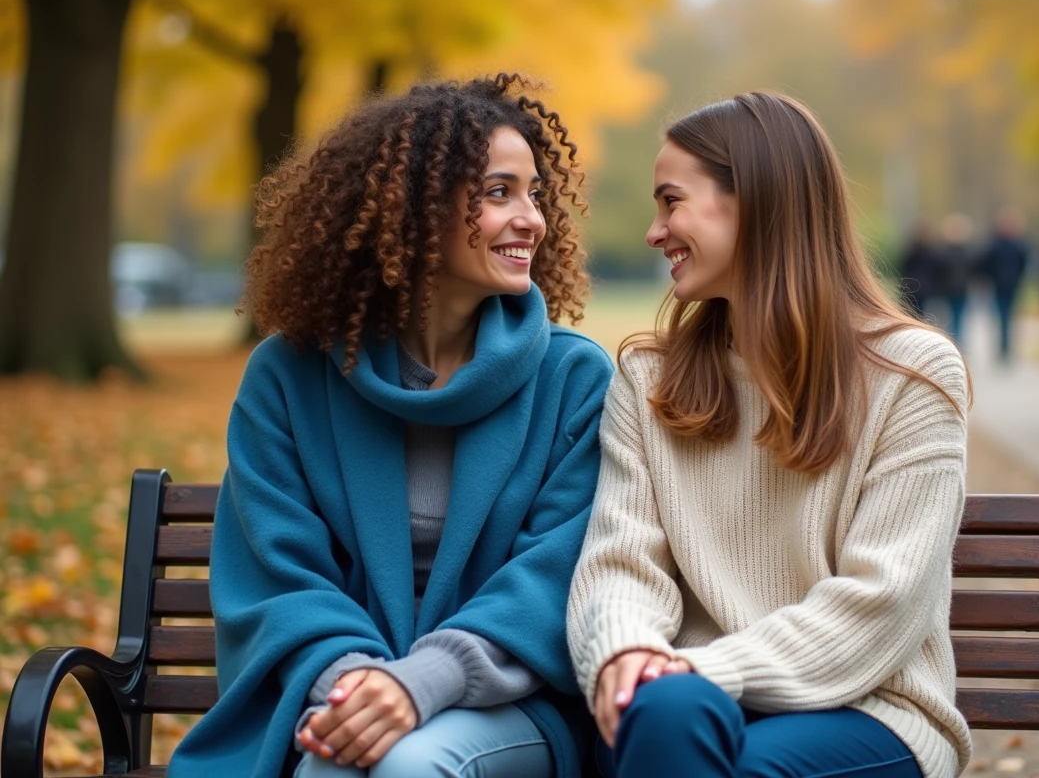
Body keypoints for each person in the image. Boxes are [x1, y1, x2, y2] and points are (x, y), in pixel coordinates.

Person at [168, 74, 614, 778]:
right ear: (412, 210)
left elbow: (555, 580)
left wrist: (422, 683)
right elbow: (278, 579)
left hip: (507, 708)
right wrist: (359, 689)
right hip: (331, 692)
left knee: (404, 766)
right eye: (500, 193)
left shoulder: (573, 382)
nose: (532, 218)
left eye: (535, 193)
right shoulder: (289, 378)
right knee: (341, 763)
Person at [567, 92, 972, 778]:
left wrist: (695, 668)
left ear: (753, 201)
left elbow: (880, 605)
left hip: (868, 712)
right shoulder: (647, 377)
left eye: (671, 202)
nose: (654, 231)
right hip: (679, 709)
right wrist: (626, 654)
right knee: (670, 720)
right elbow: (620, 564)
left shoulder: (913, 375)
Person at [977, 207, 1030, 364]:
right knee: (1000, 317)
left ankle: (1006, 348)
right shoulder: (995, 244)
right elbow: (986, 264)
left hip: (1012, 286)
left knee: (1008, 318)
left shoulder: (1019, 245)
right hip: (998, 286)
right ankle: (1002, 348)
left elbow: (1024, 264)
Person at [934, 213, 976, 348]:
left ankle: (955, 342)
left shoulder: (966, 252)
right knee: (950, 317)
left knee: (956, 317)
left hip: (959, 290)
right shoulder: (944, 252)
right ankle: (953, 341)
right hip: (949, 290)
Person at [898, 220, 940, 318]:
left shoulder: (912, 249)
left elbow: (903, 266)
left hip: (913, 285)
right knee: (920, 311)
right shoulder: (931, 251)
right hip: (923, 286)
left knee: (913, 311)